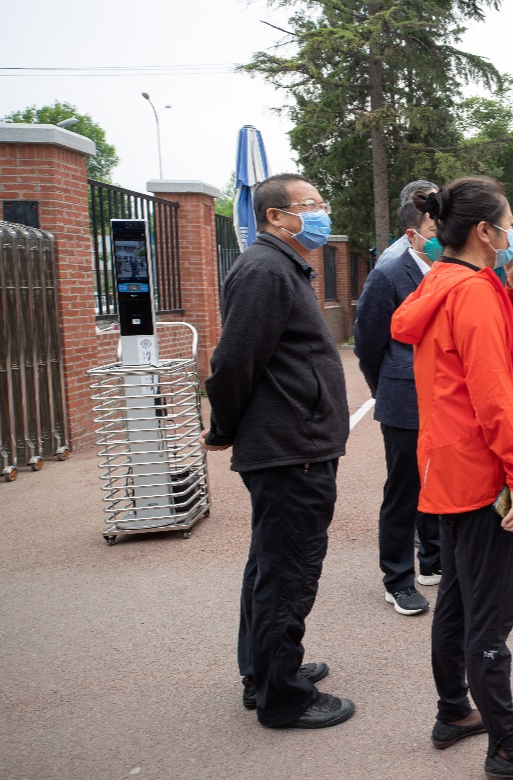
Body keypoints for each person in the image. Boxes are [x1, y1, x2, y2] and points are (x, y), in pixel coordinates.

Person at [391, 177, 513, 780]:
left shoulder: (447, 280)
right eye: (509, 224)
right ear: (485, 231)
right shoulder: (471, 292)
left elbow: (507, 340)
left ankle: (454, 711)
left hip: (449, 465)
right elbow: (495, 394)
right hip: (480, 469)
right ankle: (508, 745)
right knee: (489, 614)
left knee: (458, 599)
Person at [203, 173, 354, 729]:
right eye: (311, 204)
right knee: (288, 572)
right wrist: (224, 427)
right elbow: (233, 362)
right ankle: (282, 696)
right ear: (275, 216)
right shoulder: (265, 270)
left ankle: (265, 671)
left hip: (295, 443)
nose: (322, 212)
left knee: (272, 565)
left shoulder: (279, 266)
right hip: (291, 448)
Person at [353, 180, 440, 618]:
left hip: (447, 401)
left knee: (440, 482)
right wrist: (385, 388)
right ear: (413, 234)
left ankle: (434, 561)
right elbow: (367, 343)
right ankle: (398, 578)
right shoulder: (389, 274)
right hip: (405, 399)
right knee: (404, 489)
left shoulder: (453, 273)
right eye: (434, 228)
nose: (443, 235)